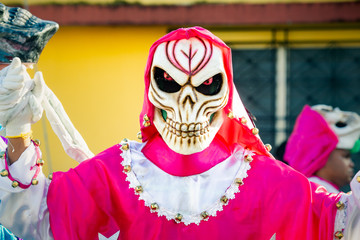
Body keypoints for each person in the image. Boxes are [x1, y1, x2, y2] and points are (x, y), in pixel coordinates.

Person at [1, 22, 360, 239]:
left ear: (225, 97)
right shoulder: (113, 174)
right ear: (151, 94)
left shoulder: (268, 180)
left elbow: (344, 224)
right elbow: (38, 218)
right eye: (169, 83)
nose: (186, 104)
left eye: (206, 86)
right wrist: (17, 129)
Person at [285, 104, 360, 194]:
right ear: (322, 157)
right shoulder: (315, 192)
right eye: (346, 156)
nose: (351, 164)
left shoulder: (319, 190)